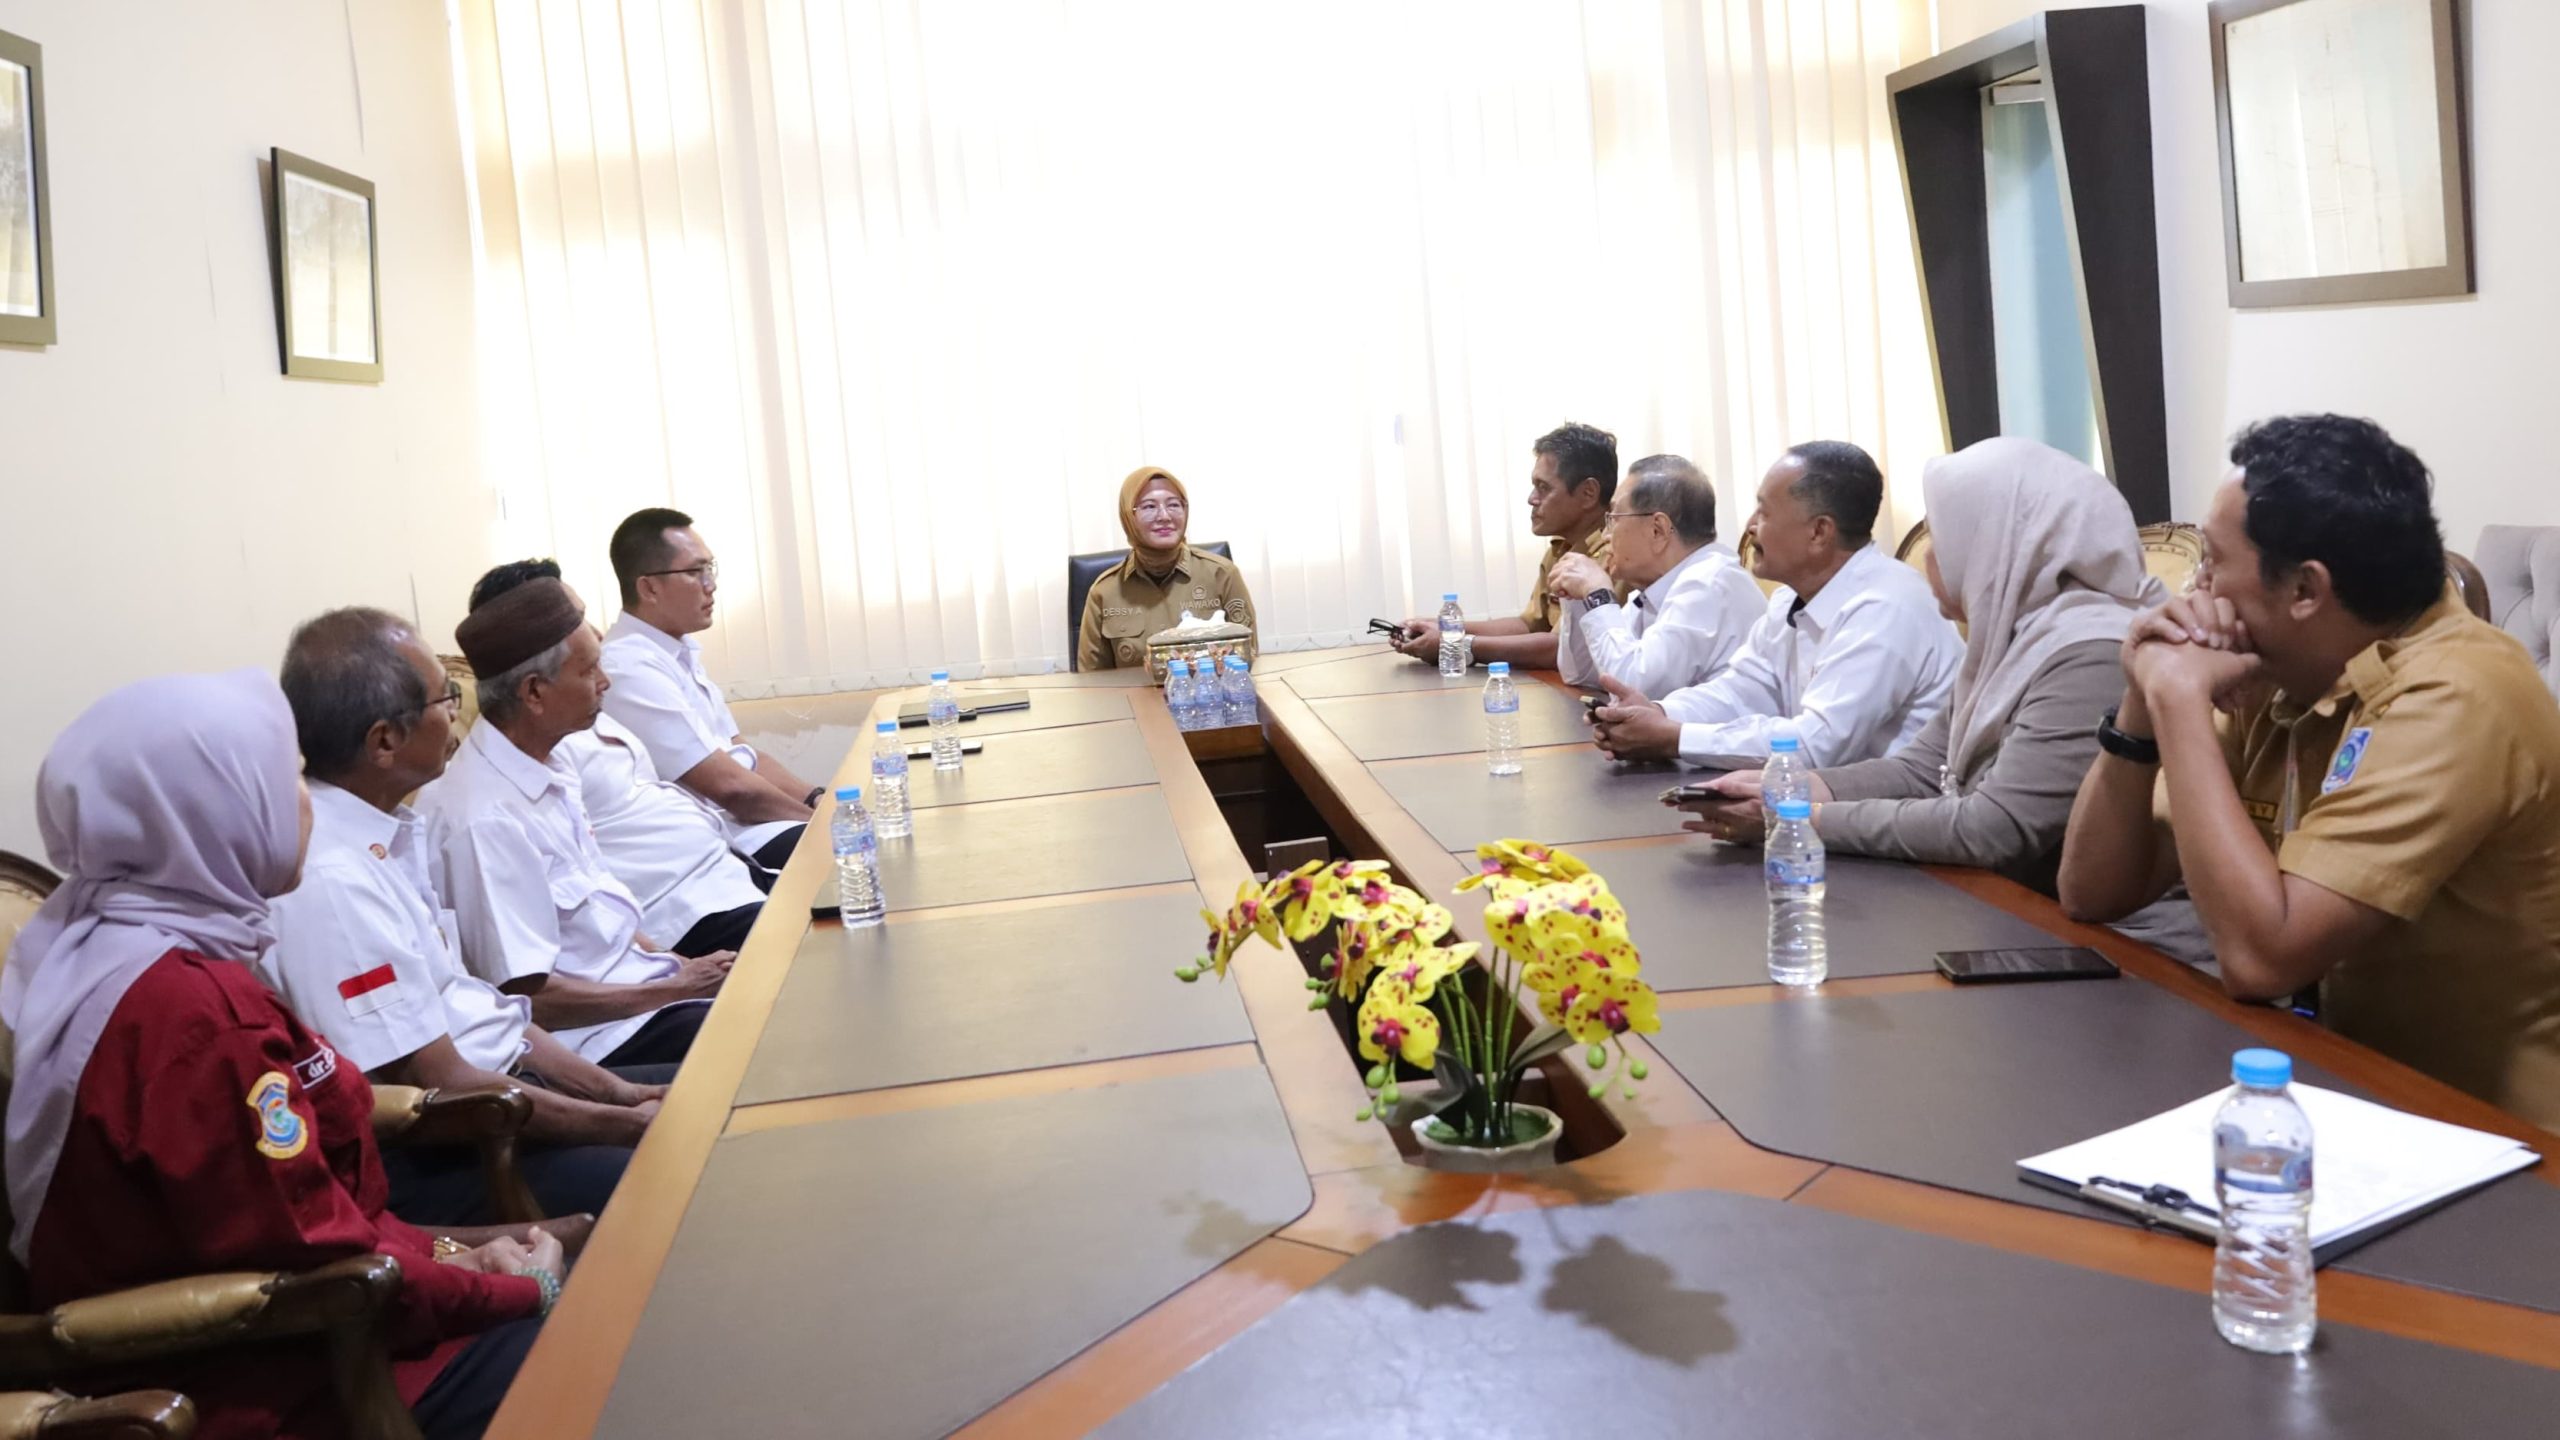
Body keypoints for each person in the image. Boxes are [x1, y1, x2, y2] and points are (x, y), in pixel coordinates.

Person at [1, 670, 565, 1440]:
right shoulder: (194, 1013)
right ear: (213, 811)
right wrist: (523, 1290)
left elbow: (319, 1216)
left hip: (323, 1318)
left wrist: (457, 1254)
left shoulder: (117, 944)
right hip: (293, 1380)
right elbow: (319, 1260)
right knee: (610, 1335)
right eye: (287, 779)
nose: (305, 802)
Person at [2060, 415, 2560, 1127]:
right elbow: (2092, 891)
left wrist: (2177, 698)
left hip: (2491, 1137)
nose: (2196, 587)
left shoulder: (2458, 693)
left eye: (2213, 561)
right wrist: (2142, 700)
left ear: (2304, 589)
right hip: (2337, 1086)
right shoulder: (2281, 668)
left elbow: (2262, 961)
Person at [266, 608, 671, 1225]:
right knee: (692, 1161)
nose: (459, 712)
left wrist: (620, 1093)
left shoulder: (388, 834)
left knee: (717, 1092)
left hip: (512, 1089)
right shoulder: (333, 881)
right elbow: (438, 1082)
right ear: (384, 741)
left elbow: (488, 1008)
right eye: (445, 698)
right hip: (462, 1144)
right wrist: (622, 1125)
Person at [418, 576, 729, 1069]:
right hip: (601, 1037)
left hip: (644, 991)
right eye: (588, 670)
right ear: (534, 692)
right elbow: (533, 1000)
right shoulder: (484, 820)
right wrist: (675, 989)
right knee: (765, 1036)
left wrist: (686, 969)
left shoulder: (551, 764)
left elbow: (606, 923)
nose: (606, 682)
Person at [1590, 440, 1961, 768]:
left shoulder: (1884, 607)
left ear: (1819, 532)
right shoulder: (1790, 599)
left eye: (1764, 512)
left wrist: (1674, 737)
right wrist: (1658, 713)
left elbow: (1816, 745)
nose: (1750, 526)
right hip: (1828, 797)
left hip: (1904, 806)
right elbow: (1741, 691)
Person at [477, 560, 772, 948]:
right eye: (575, 621)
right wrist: (673, 969)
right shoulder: (538, 751)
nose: (595, 633)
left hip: (724, 869)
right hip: (680, 910)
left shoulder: (585, 711)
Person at [599, 508, 813, 867]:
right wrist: (823, 824)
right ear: (649, 587)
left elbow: (744, 755)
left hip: (751, 825)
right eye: (694, 572)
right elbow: (730, 788)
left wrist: (816, 798)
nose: (710, 584)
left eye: (709, 569)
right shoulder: (627, 666)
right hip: (719, 844)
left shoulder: (677, 650)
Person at [1393, 422, 1616, 671]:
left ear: (1588, 493)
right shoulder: (1561, 550)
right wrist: (1445, 627)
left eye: (1544, 488)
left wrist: (1457, 646)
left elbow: (1562, 650)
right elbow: (1529, 625)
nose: (1532, 499)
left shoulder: (1615, 555)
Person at [1552, 453, 1765, 696]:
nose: (1605, 535)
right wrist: (1579, 599)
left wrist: (1598, 595)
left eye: (1613, 519)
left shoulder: (1708, 583)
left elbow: (1633, 687)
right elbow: (1582, 674)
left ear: (1658, 530)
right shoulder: (1655, 588)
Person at [1076, 466, 1260, 672]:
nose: (1164, 516)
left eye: (1173, 505)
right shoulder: (1104, 591)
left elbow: (1247, 659)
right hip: (1133, 695)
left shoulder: (1222, 575)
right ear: (1128, 516)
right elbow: (1092, 680)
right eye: (1149, 506)